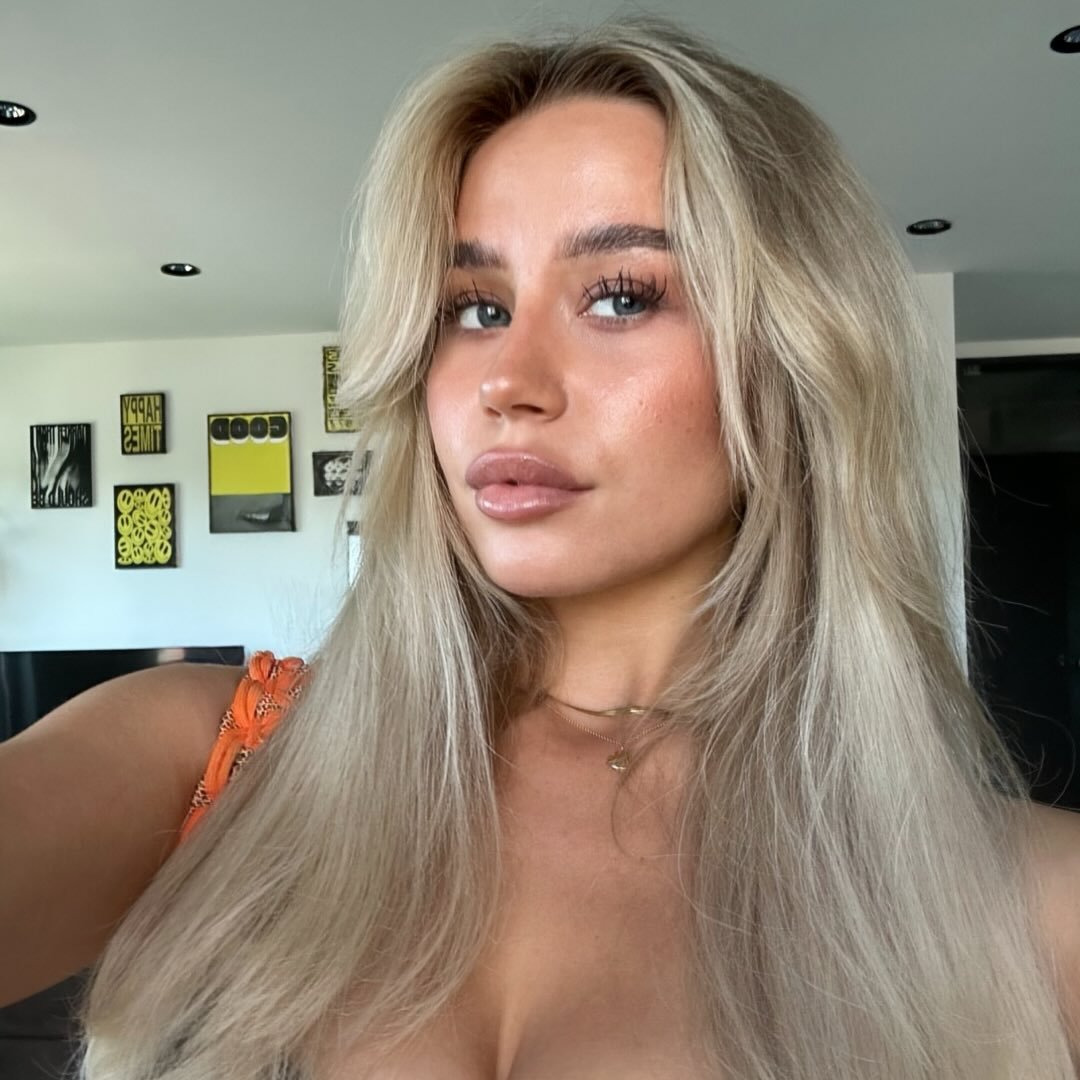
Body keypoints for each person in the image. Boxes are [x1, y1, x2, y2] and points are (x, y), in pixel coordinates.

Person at [2, 17, 1079, 1080]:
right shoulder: (205, 760)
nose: (506, 382)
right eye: (474, 309)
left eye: (620, 297)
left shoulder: (1033, 914)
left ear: (790, 358)